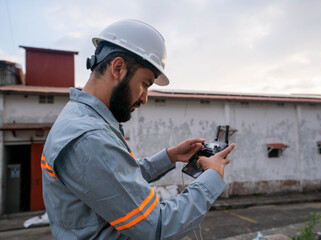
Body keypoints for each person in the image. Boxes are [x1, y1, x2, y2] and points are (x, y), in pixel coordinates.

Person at [41, 19, 235, 240]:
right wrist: (212, 176)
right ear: (118, 68)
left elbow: (114, 182)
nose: (144, 98)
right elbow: (158, 226)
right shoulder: (90, 137)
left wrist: (170, 156)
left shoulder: (80, 119)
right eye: (145, 84)